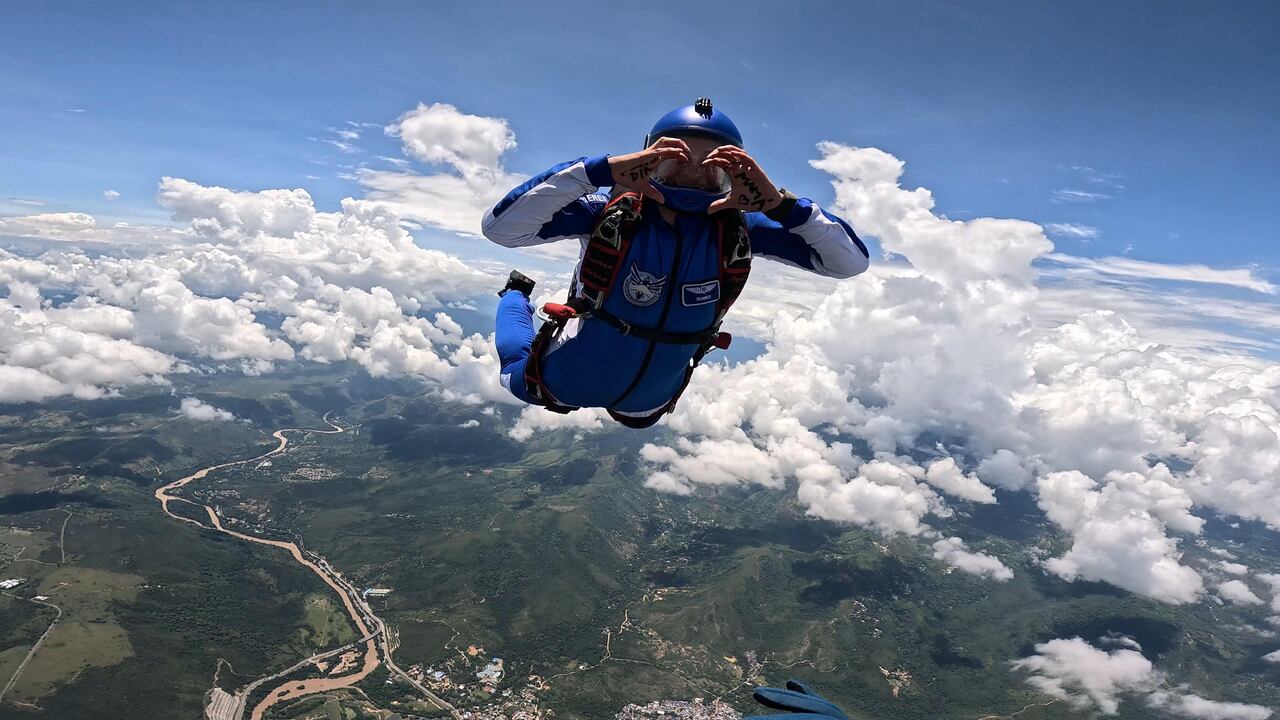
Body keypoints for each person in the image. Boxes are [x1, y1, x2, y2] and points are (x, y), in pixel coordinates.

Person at [482, 98, 869, 428]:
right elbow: (502, 229)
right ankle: (516, 293)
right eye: (675, 159)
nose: (693, 174)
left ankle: (521, 299)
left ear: (736, 175)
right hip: (574, 376)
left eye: (714, 166)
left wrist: (782, 206)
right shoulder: (609, 212)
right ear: (647, 160)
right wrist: (596, 172)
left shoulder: (742, 227)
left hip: (647, 398)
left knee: (633, 417)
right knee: (515, 365)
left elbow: (848, 263)